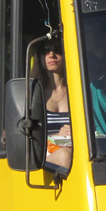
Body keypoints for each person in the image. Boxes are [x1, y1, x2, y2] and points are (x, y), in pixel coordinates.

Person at [34, 39, 73, 173]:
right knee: (65, 155)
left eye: (57, 49)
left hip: (78, 151)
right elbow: (27, 138)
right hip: (46, 157)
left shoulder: (79, 91)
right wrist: (57, 137)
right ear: (40, 57)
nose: (51, 55)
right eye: (46, 50)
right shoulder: (34, 94)